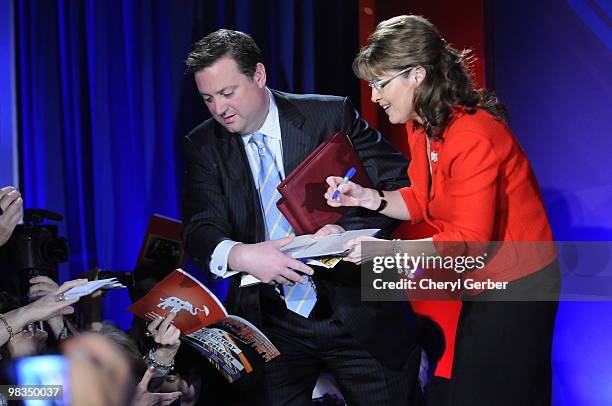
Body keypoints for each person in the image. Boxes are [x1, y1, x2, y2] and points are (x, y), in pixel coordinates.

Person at [326, 15, 559, 406]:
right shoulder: (424, 126)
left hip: (520, 284)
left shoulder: (472, 135)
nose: (376, 96)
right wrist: (367, 198)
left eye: (380, 83)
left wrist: (383, 255)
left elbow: (469, 242)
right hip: (486, 281)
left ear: (416, 74)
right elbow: (423, 201)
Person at [182, 29, 423, 405]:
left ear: (258, 75)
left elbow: (398, 183)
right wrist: (243, 255)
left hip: (357, 307)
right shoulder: (204, 144)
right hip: (270, 324)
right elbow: (200, 229)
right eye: (208, 98)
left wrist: (341, 233)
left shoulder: (329, 114)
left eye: (228, 93)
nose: (219, 109)